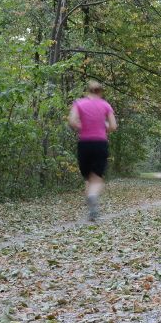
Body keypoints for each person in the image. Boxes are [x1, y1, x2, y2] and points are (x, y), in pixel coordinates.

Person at [68, 78, 117, 221]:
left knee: (88, 177)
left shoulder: (79, 103)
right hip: (100, 143)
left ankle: (91, 207)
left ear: (88, 91)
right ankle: (93, 197)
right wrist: (103, 127)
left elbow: (72, 121)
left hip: (84, 144)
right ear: (100, 92)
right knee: (96, 178)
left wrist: (83, 127)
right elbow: (113, 126)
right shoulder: (105, 105)